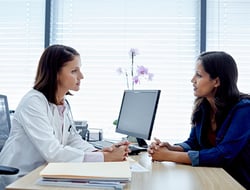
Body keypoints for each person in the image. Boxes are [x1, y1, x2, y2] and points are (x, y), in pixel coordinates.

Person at [0, 44, 130, 188]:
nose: (81, 76)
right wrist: (103, 158)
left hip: (45, 171)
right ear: (55, 73)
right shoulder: (33, 103)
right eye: (74, 71)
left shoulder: (63, 103)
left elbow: (73, 139)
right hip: (21, 176)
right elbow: (53, 152)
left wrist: (98, 151)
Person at [148, 51, 250, 189]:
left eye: (199, 75)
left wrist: (168, 155)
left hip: (237, 183)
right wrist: (172, 148)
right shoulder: (203, 106)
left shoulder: (244, 110)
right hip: (212, 178)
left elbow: (223, 154)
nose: (192, 80)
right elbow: (194, 142)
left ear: (217, 81)